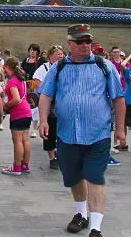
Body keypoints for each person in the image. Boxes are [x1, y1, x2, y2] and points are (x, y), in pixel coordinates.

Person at [38, 24, 125, 237]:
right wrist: (43, 120)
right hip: (67, 133)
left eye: (88, 41)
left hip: (98, 132)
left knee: (95, 177)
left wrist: (120, 129)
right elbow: (46, 95)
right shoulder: (59, 68)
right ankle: (81, 214)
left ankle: (96, 227)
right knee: (74, 177)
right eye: (80, 41)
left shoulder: (104, 66)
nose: (85, 45)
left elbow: (118, 98)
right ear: (70, 44)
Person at [33, 45, 64, 169]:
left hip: (63, 103)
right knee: (50, 131)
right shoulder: (43, 68)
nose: (60, 56)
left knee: (62, 130)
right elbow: (37, 83)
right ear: (51, 56)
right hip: (49, 104)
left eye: (62, 54)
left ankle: (61, 153)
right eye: (57, 54)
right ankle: (52, 156)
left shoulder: (67, 67)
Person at [1, 57, 32, 176]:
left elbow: (16, 99)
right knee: (25, 139)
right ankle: (25, 164)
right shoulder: (22, 79)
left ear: (7, 67)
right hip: (27, 111)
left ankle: (17, 166)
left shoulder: (13, 81)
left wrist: (6, 106)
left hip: (18, 113)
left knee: (17, 141)